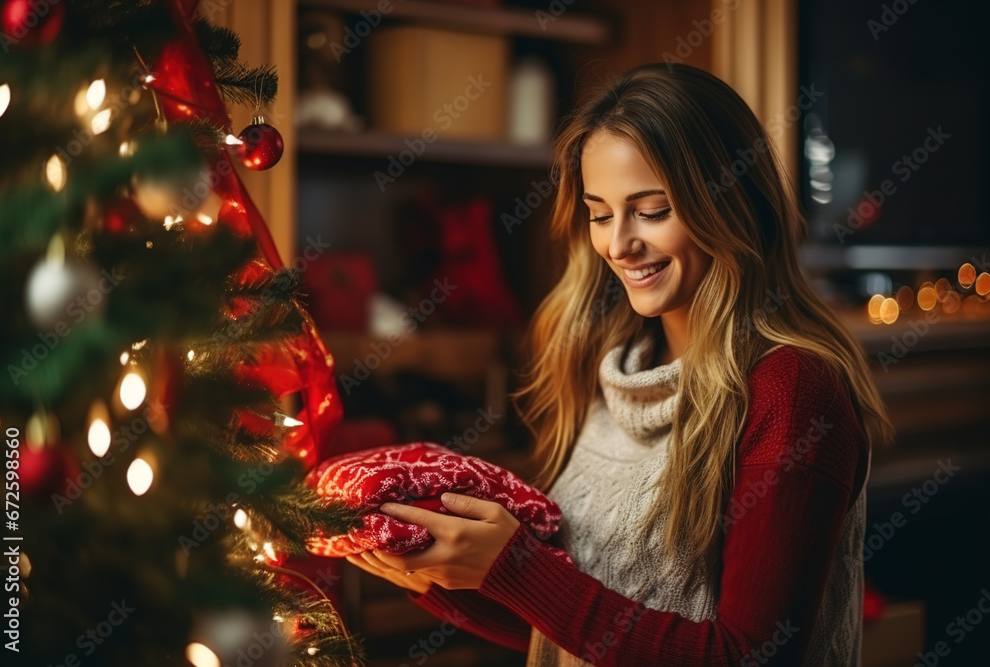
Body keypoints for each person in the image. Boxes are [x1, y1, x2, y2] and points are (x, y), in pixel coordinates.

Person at [345, 63, 895, 666]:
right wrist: (439, 576)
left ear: (734, 205)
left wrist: (518, 569)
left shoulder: (789, 390)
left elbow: (746, 657)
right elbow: (580, 627)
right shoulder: (612, 369)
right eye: (600, 213)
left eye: (652, 210)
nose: (619, 244)